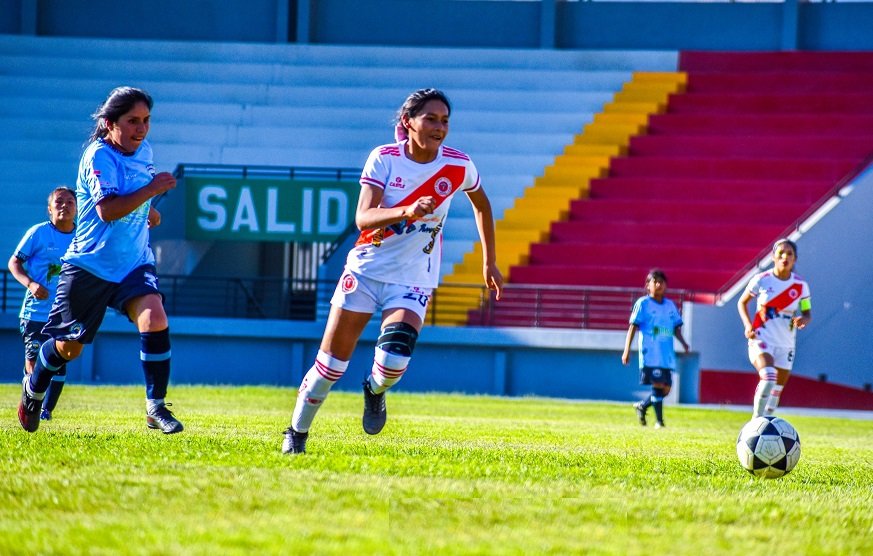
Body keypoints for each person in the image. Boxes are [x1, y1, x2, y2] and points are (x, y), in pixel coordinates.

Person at [282, 88, 503, 454]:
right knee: (330, 368)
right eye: (430, 119)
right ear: (408, 122)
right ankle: (296, 432)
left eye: (445, 121)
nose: (439, 127)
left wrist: (488, 260)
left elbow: (483, 206)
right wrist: (407, 210)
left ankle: (374, 389)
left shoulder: (459, 165)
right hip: (366, 271)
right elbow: (363, 218)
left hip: (413, 276)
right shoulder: (383, 158)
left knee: (393, 363)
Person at [17, 86, 182, 434]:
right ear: (109, 123)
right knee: (68, 349)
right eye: (132, 121)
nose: (141, 128)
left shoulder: (144, 150)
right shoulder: (98, 156)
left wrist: (147, 210)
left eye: (146, 120)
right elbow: (106, 210)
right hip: (89, 265)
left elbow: (130, 194)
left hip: (134, 262)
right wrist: (152, 192)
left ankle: (156, 405)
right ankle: (33, 389)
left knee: (155, 317)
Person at [8, 187, 77, 421]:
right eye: (59, 202)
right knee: (34, 360)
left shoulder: (84, 237)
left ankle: (46, 410)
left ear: (77, 208)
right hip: (35, 313)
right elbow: (14, 263)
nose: (64, 206)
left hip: (66, 314)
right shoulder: (38, 233)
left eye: (70, 201)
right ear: (49, 208)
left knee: (60, 361)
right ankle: (31, 406)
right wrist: (30, 284)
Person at [737, 239, 811, 417]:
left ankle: (767, 422)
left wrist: (803, 319)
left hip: (786, 344)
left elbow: (807, 312)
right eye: (781, 253)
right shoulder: (761, 280)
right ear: (773, 257)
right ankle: (756, 422)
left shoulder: (801, 286)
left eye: (789, 254)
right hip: (761, 339)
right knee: (769, 378)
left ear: (795, 259)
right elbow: (742, 302)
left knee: (776, 391)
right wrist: (748, 325)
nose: (785, 257)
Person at [621, 269, 689, 428]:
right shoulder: (643, 303)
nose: (658, 285)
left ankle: (643, 406)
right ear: (648, 286)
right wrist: (626, 350)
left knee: (666, 389)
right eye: (655, 281)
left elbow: (675, 328)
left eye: (661, 282)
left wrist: (684, 343)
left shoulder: (670, 306)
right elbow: (633, 327)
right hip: (650, 353)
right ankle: (659, 422)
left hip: (666, 354)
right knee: (658, 385)